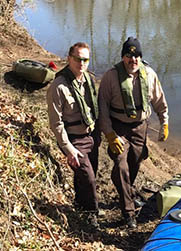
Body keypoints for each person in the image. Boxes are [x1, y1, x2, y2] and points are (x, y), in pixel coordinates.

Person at [98, 37, 169, 228]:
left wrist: (164, 123)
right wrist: (109, 134)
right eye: (129, 56)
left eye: (137, 56)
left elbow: (160, 102)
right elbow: (102, 107)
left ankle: (126, 190)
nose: (133, 60)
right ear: (123, 57)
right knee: (121, 165)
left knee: (134, 163)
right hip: (119, 127)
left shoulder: (150, 75)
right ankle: (129, 212)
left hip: (140, 127)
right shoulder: (111, 76)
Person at [47, 42, 103, 229]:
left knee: (88, 172)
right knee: (88, 177)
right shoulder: (58, 86)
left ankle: (80, 203)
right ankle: (91, 213)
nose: (82, 63)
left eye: (85, 59)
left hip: (91, 135)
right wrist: (68, 149)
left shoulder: (88, 79)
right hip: (73, 139)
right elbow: (56, 123)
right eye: (78, 58)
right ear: (69, 58)